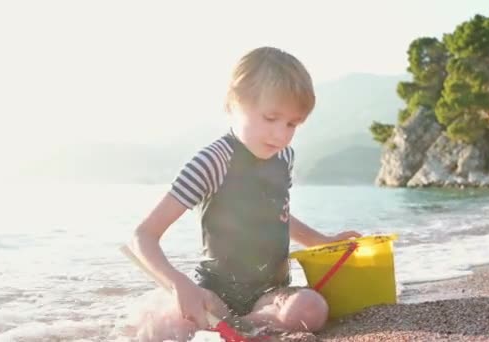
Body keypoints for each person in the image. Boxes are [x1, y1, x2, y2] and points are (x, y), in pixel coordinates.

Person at [128, 46, 362, 341]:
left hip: (270, 294)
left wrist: (322, 242)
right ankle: (235, 329)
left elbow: (278, 215)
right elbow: (143, 236)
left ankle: (242, 329)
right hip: (215, 294)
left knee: (311, 308)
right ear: (234, 102)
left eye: (292, 124)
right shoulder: (213, 161)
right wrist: (179, 285)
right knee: (167, 324)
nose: (281, 134)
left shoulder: (284, 158)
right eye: (270, 118)